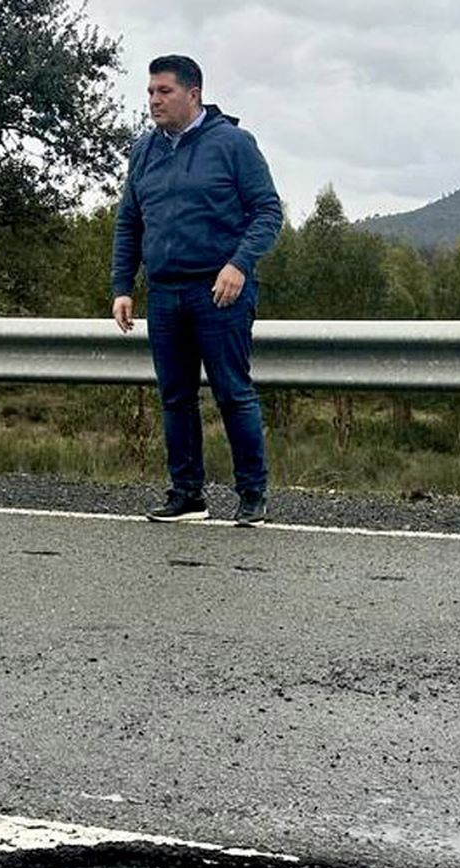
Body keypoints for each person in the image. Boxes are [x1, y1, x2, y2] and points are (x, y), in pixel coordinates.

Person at [111, 54, 284, 527]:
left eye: (163, 91)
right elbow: (130, 222)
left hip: (220, 291)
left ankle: (252, 495)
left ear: (193, 93)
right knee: (175, 398)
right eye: (149, 92)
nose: (153, 101)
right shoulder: (145, 150)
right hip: (165, 294)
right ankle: (187, 496)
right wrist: (123, 286)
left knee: (233, 392)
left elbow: (268, 212)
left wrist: (239, 264)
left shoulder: (232, 143)